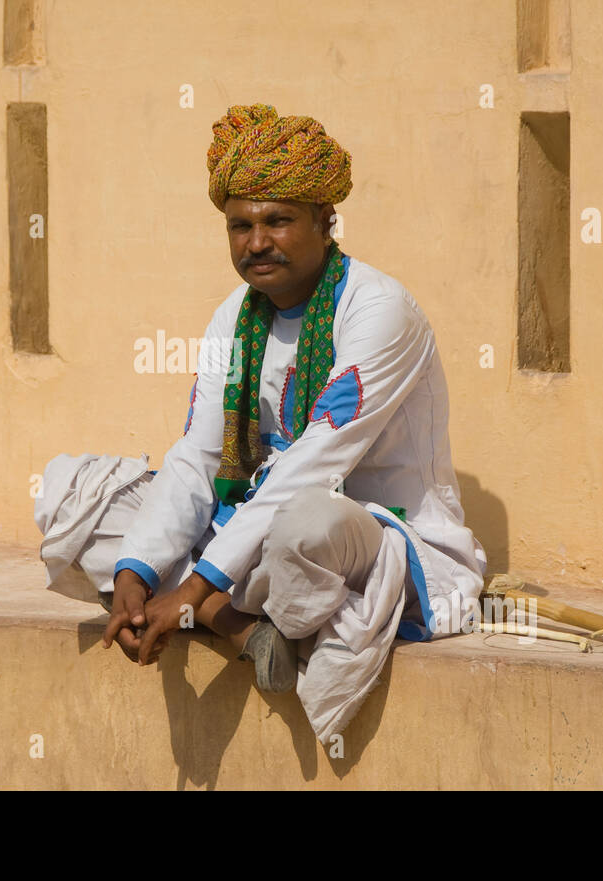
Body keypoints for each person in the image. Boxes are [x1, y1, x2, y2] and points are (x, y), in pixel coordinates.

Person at [34, 102, 487, 743]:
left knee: (306, 519)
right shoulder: (235, 317)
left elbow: (312, 468)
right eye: (240, 225)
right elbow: (198, 453)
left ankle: (220, 607)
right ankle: (240, 626)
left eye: (279, 221)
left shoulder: (380, 310)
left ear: (326, 221)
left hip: (362, 539)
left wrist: (190, 589)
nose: (257, 242)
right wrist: (137, 572)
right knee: (70, 492)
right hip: (248, 536)